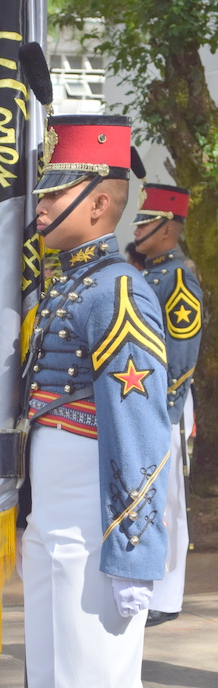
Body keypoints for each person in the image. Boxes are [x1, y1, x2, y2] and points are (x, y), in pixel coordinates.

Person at [21, 115, 171, 688]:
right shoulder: (66, 284)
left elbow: (139, 429)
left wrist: (134, 550)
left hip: (95, 515)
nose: (41, 205)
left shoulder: (115, 289)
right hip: (53, 519)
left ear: (101, 203)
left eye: (55, 192)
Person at [133, 183, 203, 627]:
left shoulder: (176, 278)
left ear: (169, 227)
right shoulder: (148, 272)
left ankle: (168, 594)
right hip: (148, 397)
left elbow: (182, 349)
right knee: (153, 495)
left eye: (146, 221)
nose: (137, 228)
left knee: (169, 499)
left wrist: (166, 406)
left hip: (166, 399)